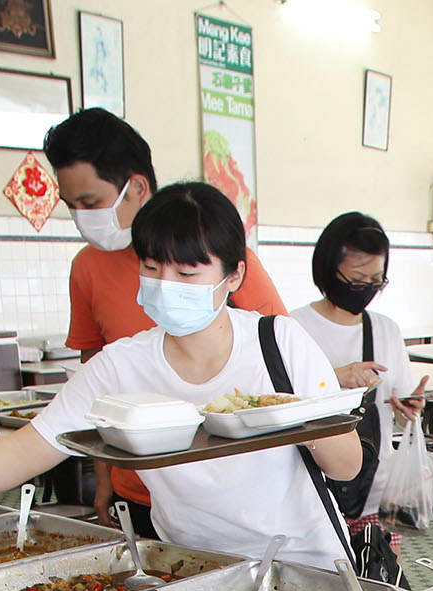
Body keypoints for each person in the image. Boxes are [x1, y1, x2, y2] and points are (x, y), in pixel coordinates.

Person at [0, 182, 359, 569]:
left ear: (234, 276)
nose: (166, 285)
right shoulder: (121, 365)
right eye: (152, 268)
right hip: (194, 566)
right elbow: (32, 445)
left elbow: (347, 465)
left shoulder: (280, 343)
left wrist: (294, 415)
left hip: (305, 563)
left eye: (187, 273)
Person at [46, 108, 288, 532]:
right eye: (72, 206)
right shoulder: (87, 267)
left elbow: (283, 372)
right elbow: (95, 389)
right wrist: (105, 477)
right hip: (138, 485)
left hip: (229, 494)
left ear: (137, 187)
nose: (82, 217)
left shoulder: (220, 258)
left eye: (91, 203)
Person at [291, 211, 429, 523]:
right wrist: (335, 377)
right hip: (310, 494)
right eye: (357, 279)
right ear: (329, 269)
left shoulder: (386, 330)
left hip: (377, 492)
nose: (366, 288)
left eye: (375, 281)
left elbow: (398, 409)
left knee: (382, 557)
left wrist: (409, 410)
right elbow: (278, 405)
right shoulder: (293, 327)